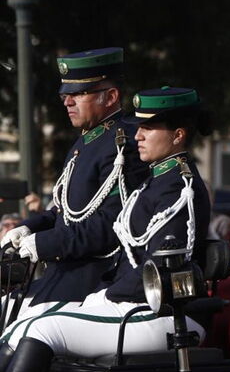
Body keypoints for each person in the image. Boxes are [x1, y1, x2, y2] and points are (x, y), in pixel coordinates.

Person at [0, 86, 211, 372]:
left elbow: (163, 269)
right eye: (139, 127)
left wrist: (107, 295)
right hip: (131, 302)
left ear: (178, 135)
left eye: (149, 129)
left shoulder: (181, 188)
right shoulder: (157, 181)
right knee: (22, 323)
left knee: (41, 329)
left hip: (162, 314)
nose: (138, 135)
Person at [2, 47, 147, 314]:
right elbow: (65, 210)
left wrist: (46, 243)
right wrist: (27, 227)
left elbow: (109, 226)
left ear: (111, 96)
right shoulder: (87, 139)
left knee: (22, 330)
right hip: (64, 273)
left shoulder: (123, 145)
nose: (68, 102)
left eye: (79, 94)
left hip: (94, 277)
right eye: (65, 94)